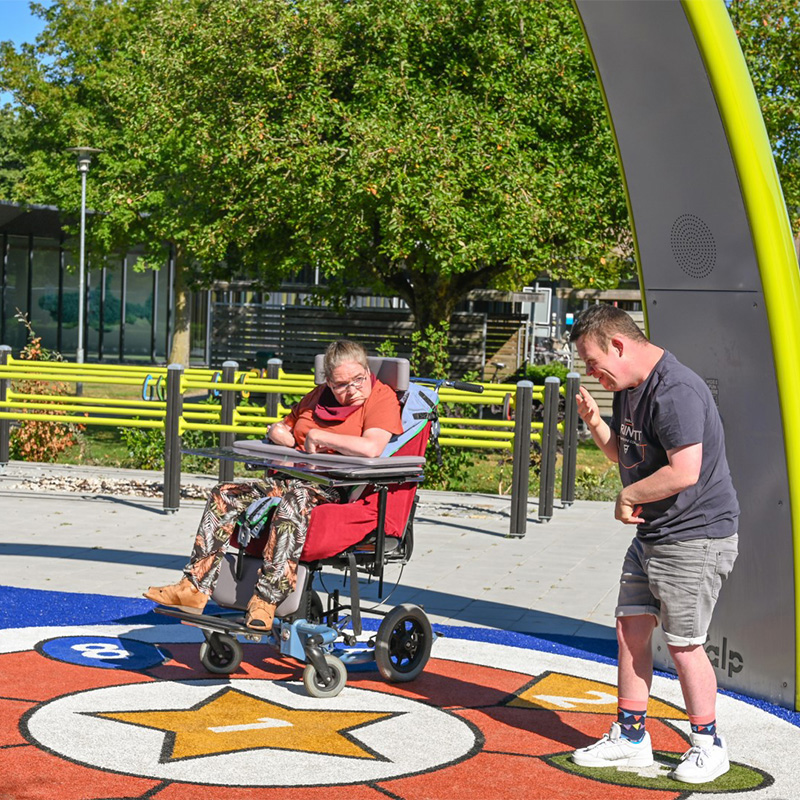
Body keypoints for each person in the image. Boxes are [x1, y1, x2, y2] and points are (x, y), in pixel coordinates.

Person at [568, 305, 739, 785]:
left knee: (684, 646)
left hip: (695, 537)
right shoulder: (628, 387)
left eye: (591, 361)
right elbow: (632, 463)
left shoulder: (676, 390)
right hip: (655, 535)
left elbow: (683, 473)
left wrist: (629, 496)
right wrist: (595, 424)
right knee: (630, 630)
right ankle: (631, 738)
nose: (590, 372)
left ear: (618, 345)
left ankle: (709, 745)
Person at [144, 340, 403, 631]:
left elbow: (372, 448)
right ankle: (193, 587)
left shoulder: (381, 397)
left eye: (359, 379)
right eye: (342, 384)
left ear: (367, 371)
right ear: (328, 382)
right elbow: (288, 427)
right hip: (290, 478)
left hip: (334, 486)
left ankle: (267, 600)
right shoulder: (317, 397)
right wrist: (278, 432)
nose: (353, 389)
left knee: (294, 499)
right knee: (225, 494)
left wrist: (321, 438)